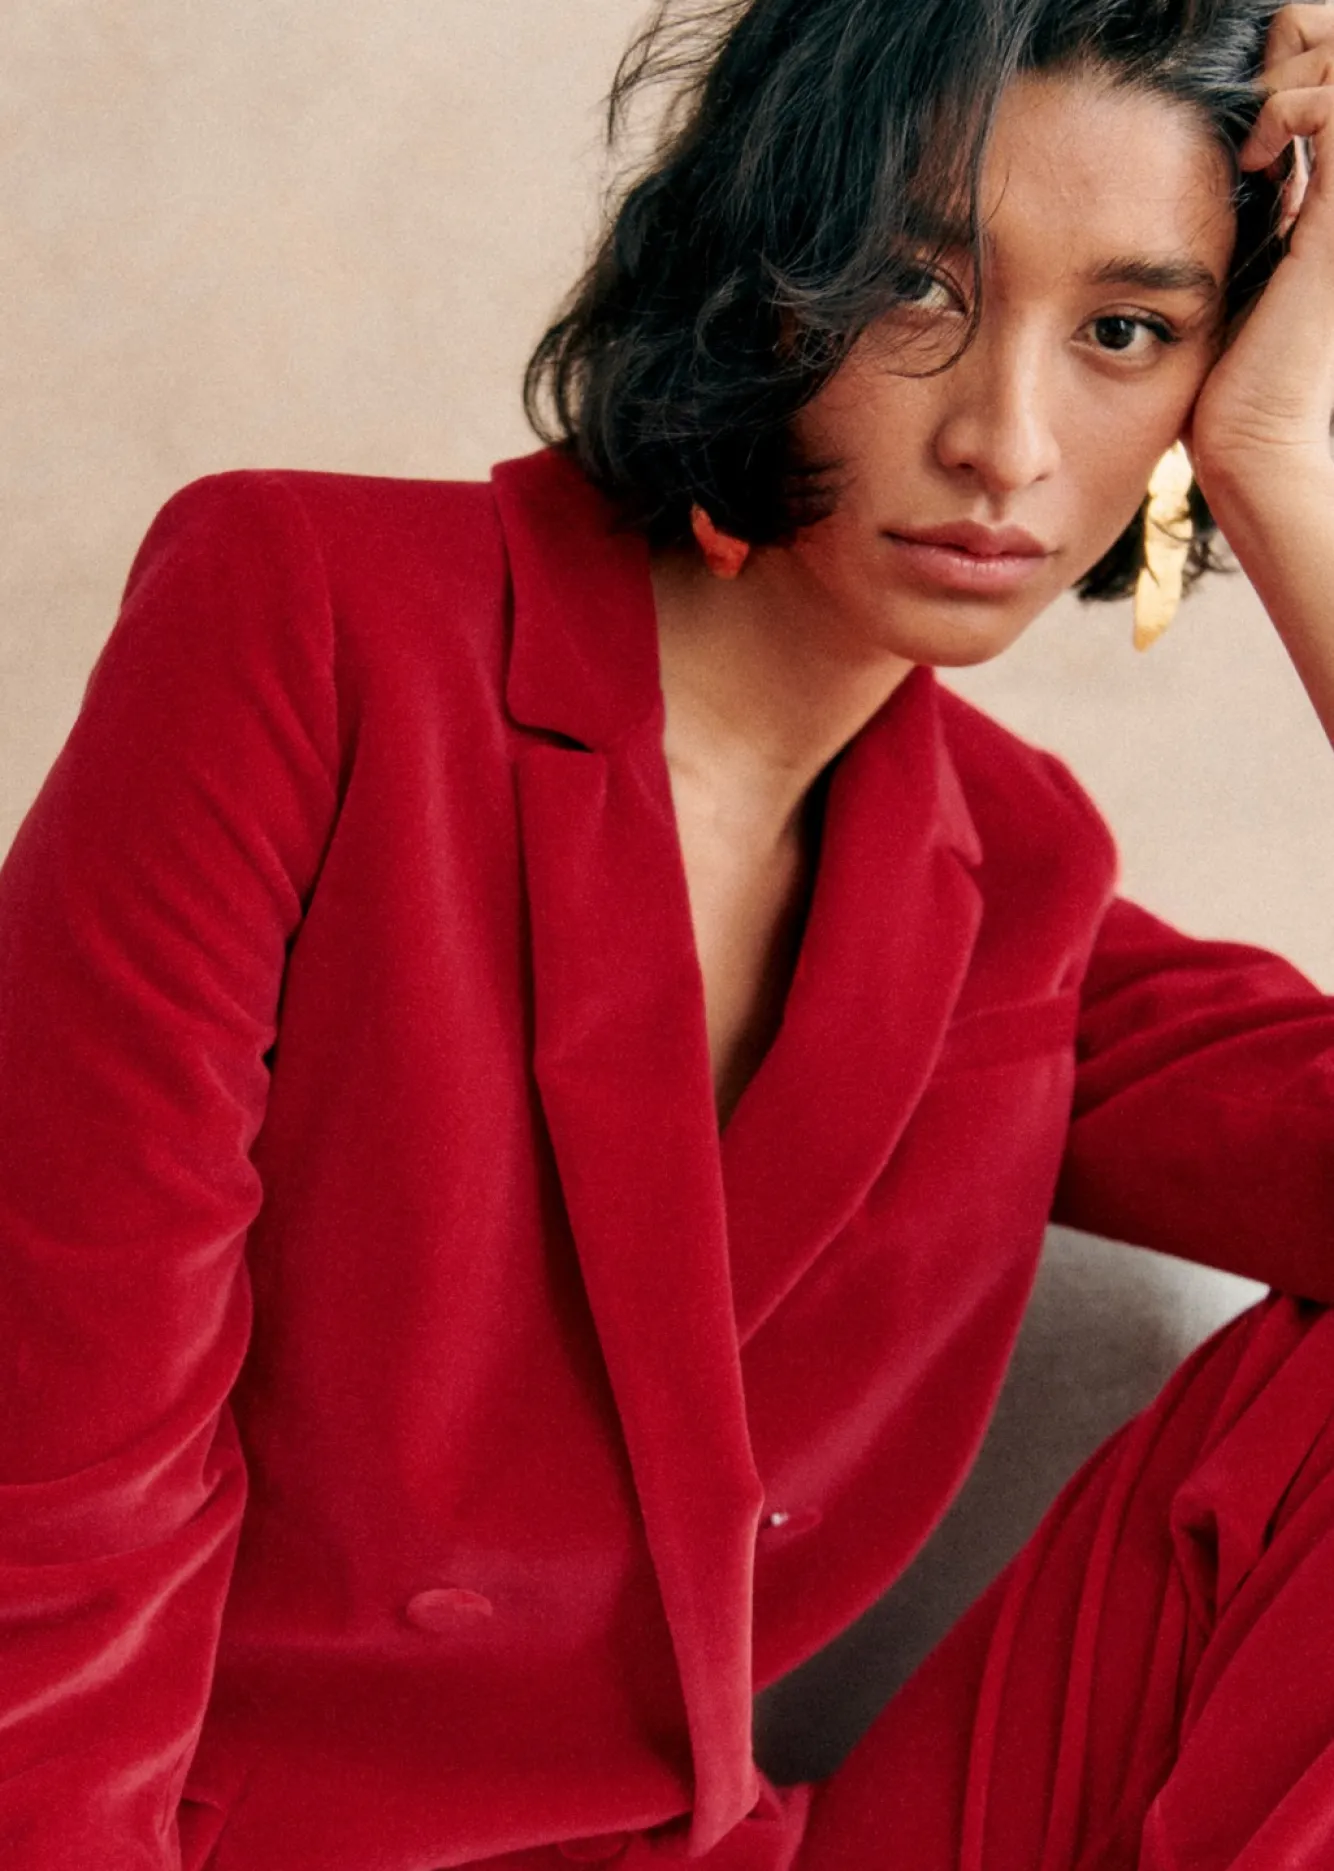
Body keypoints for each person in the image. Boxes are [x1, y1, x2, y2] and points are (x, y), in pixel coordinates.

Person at [3, 0, 1334, 1865]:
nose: (1004, 441)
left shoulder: (1015, 877)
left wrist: (1285, 472)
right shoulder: (309, 624)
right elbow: (55, 1480)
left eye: (1128, 332)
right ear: (763, 276)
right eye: (916, 290)